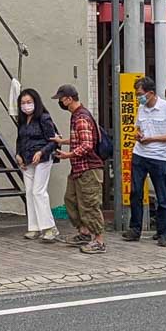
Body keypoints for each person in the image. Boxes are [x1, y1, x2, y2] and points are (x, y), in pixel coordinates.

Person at [120, 77, 166, 248]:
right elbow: (138, 128)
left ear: (151, 93)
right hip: (140, 154)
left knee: (162, 197)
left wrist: (153, 138)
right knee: (135, 193)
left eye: (139, 94)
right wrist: (138, 135)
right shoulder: (141, 108)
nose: (137, 97)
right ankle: (135, 229)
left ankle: (163, 233)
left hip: (159, 157)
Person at [50, 84, 106, 254]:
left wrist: (69, 155)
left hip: (88, 168)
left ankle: (99, 241)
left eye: (61, 98)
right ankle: (84, 232)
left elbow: (87, 145)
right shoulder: (77, 115)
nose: (60, 102)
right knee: (71, 200)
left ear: (69, 98)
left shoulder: (81, 117)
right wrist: (63, 142)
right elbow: (80, 139)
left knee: (90, 204)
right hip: (79, 168)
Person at [13, 89, 61, 242]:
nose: (26, 106)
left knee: (38, 191)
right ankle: (34, 227)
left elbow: (53, 140)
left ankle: (49, 227)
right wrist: (18, 154)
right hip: (27, 160)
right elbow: (20, 139)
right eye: (23, 103)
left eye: (29, 102)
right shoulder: (22, 120)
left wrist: (41, 152)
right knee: (29, 192)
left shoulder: (44, 118)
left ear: (36, 102)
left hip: (43, 158)